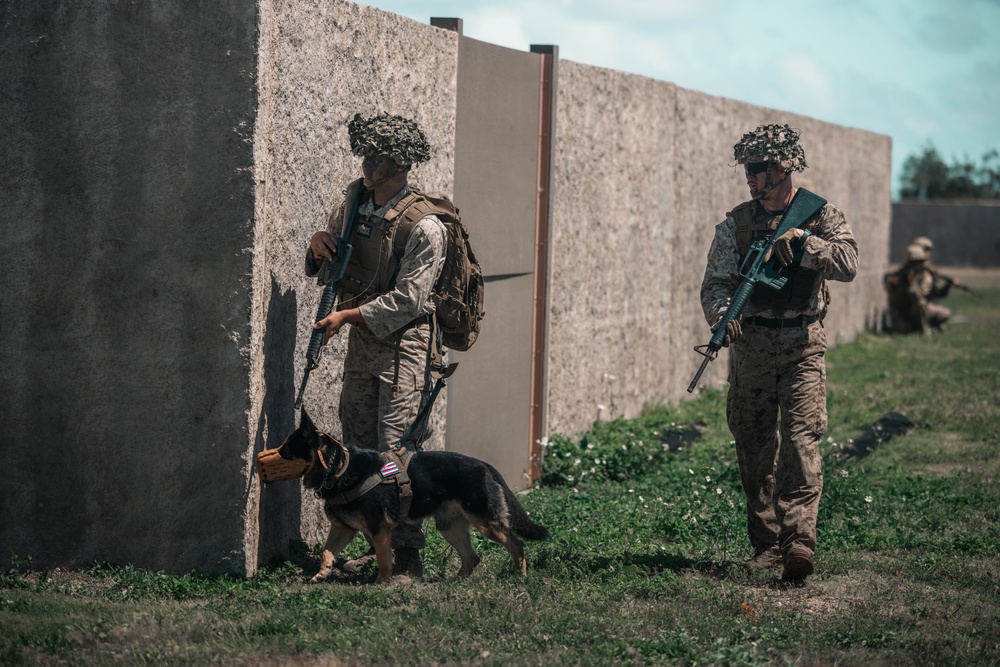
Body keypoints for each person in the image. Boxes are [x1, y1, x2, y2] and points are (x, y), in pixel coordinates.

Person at [700, 124, 859, 580]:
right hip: (751, 346)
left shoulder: (820, 215)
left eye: (757, 168)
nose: (749, 177)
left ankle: (798, 545)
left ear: (782, 167)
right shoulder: (737, 224)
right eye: (746, 168)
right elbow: (715, 284)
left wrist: (807, 244)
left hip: (802, 344)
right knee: (753, 443)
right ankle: (767, 545)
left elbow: (848, 264)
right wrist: (721, 316)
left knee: (801, 441)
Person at [305, 112, 447, 579]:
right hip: (363, 344)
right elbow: (333, 267)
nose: (367, 163)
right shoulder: (354, 203)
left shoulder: (426, 227)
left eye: (379, 156)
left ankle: (407, 555)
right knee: (360, 451)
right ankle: (374, 546)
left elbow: (410, 300)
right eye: (365, 153)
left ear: (402, 163)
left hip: (406, 349)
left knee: (396, 457)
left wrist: (347, 316)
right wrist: (317, 245)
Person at [884, 244, 934, 334]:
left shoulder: (925, 277)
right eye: (913, 262)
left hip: (914, 311)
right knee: (903, 330)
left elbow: (920, 298)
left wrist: (912, 285)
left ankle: (924, 330)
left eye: (919, 262)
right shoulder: (900, 274)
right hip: (900, 312)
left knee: (922, 304)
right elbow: (889, 288)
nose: (916, 265)